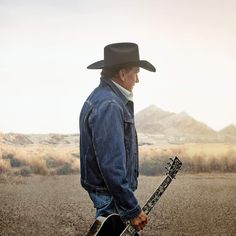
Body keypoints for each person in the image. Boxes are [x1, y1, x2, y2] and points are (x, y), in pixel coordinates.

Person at [79, 42, 156, 232]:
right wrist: (131, 208)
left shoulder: (100, 97)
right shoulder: (110, 104)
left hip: (109, 193)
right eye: (136, 72)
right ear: (122, 74)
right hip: (111, 195)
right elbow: (111, 164)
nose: (137, 80)